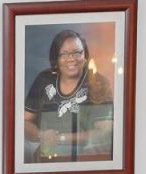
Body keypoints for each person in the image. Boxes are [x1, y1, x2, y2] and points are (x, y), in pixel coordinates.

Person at [24, 29, 114, 163]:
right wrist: (40, 135)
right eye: (64, 54)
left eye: (77, 53)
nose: (71, 59)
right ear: (56, 59)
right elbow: (24, 122)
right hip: (47, 153)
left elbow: (103, 132)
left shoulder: (98, 82)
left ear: (85, 55)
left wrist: (60, 138)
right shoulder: (44, 80)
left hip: (86, 157)